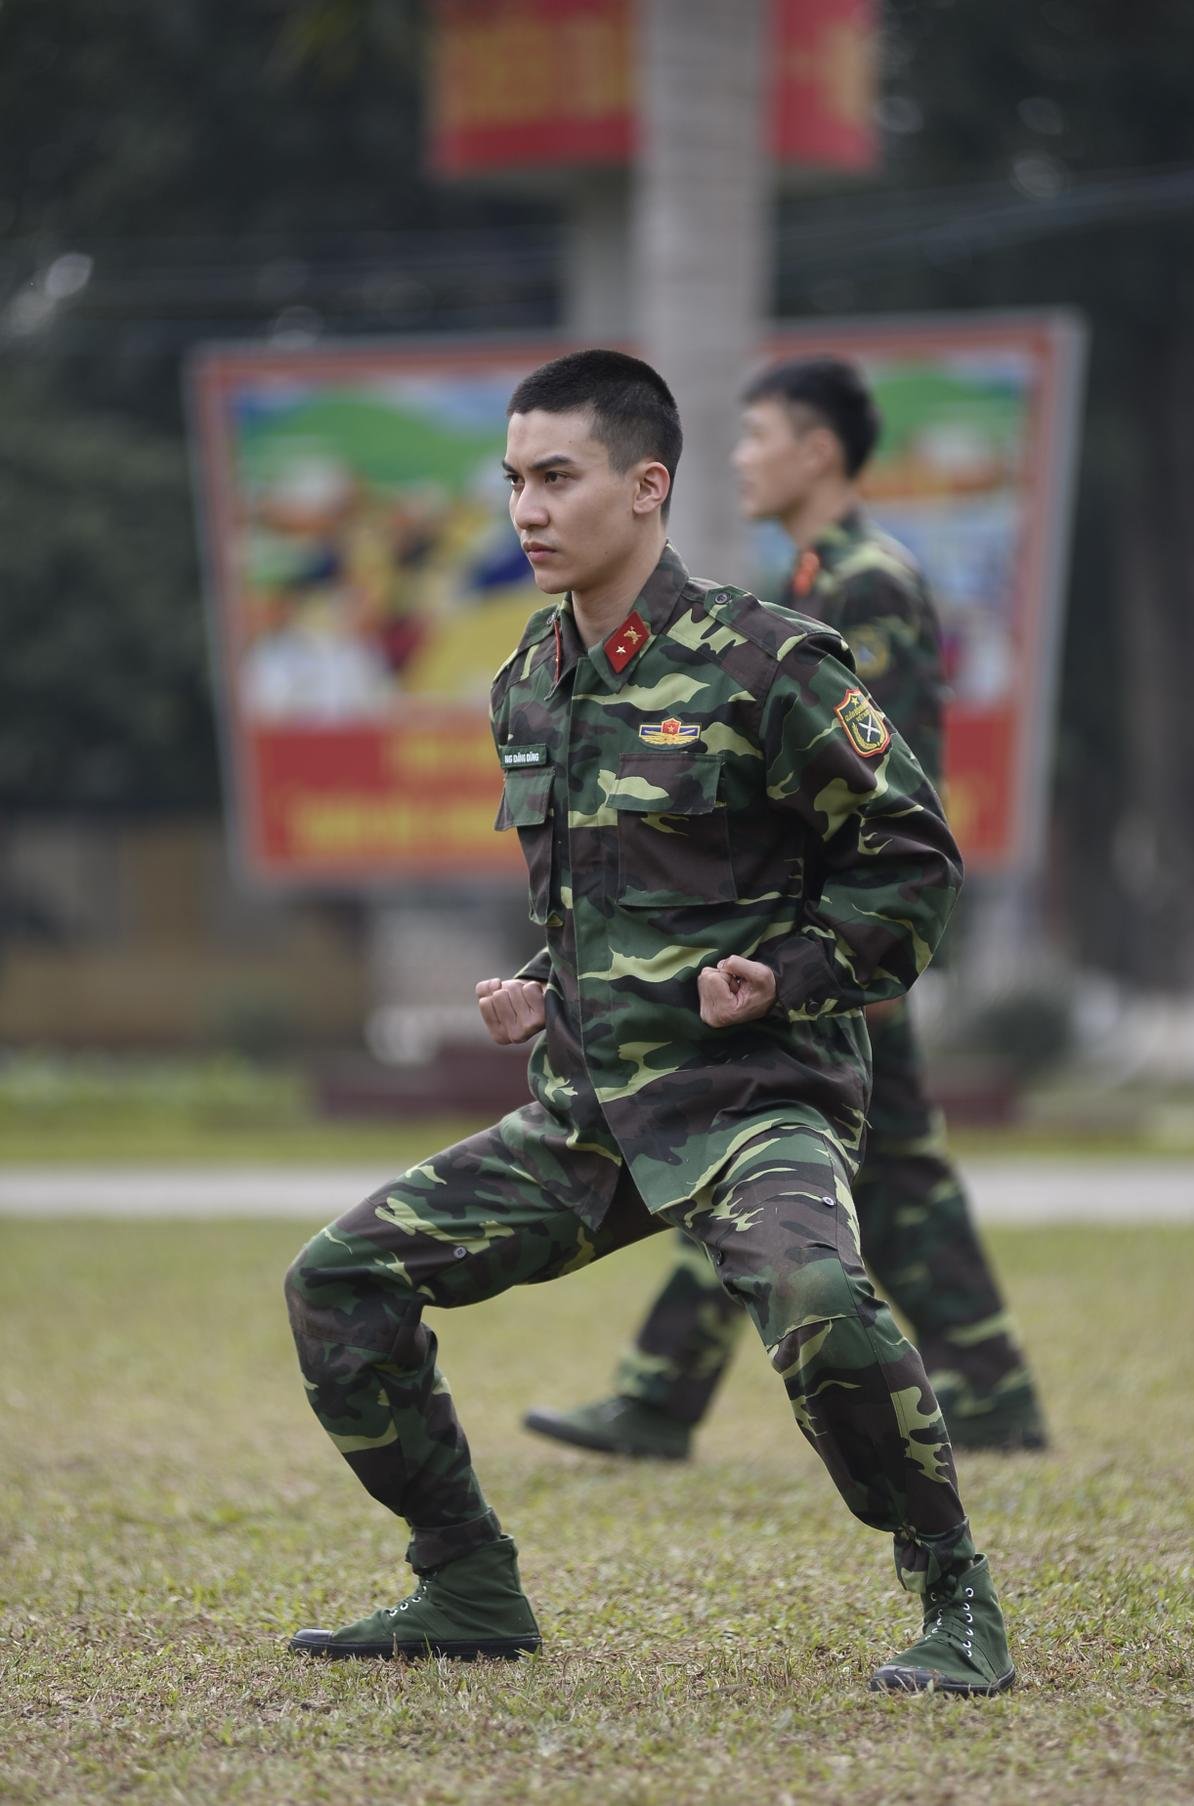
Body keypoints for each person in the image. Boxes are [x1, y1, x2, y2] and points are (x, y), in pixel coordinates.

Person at [284, 349, 1014, 1695]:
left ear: (647, 484)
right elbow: (607, 898)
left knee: (816, 1297)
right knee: (338, 1280)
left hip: (753, 1098)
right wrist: (536, 985)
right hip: (595, 1110)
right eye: (512, 481)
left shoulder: (770, 661)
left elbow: (912, 865)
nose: (527, 509)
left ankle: (954, 1589)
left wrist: (787, 976)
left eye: (556, 477)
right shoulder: (529, 680)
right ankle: (466, 1581)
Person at [523, 356, 1047, 1464]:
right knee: (841, 1158)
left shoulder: (867, 580)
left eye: (758, 437)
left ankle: (664, 1395)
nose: (743, 460)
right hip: (790, 945)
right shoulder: (812, 573)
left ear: (817, 451)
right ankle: (981, 1389)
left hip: (831, 949)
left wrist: (843, 953)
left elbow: (879, 793)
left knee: (762, 1147)